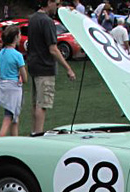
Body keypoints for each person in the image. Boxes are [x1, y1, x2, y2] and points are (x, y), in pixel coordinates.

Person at [26, 0, 76, 136]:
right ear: (49, 2)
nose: (57, 6)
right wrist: (68, 68)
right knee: (42, 104)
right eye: (56, 3)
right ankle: (38, 134)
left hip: (34, 65)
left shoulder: (33, 19)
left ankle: (34, 131)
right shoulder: (47, 21)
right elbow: (53, 49)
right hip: (45, 67)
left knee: (36, 103)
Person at [0, 23, 27, 136]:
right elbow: (25, 77)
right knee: (8, 117)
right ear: (15, 37)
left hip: (3, 86)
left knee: (14, 118)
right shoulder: (17, 55)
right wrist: (21, 75)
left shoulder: (1, 54)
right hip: (13, 88)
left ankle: (15, 140)